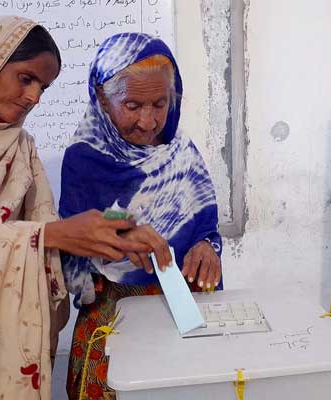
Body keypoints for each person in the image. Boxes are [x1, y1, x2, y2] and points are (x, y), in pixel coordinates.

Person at [0, 16, 166, 399]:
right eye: (26, 79)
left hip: (16, 341)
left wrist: (112, 230)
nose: (35, 97)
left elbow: (46, 233)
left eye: (44, 86)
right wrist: (47, 235)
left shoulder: (20, 147)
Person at [60, 33, 223, 399]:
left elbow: (205, 225)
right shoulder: (84, 159)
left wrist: (206, 247)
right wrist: (119, 237)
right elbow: (69, 250)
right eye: (132, 105)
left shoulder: (181, 152)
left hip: (183, 301)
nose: (149, 122)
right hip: (114, 310)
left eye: (159, 104)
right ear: (103, 99)